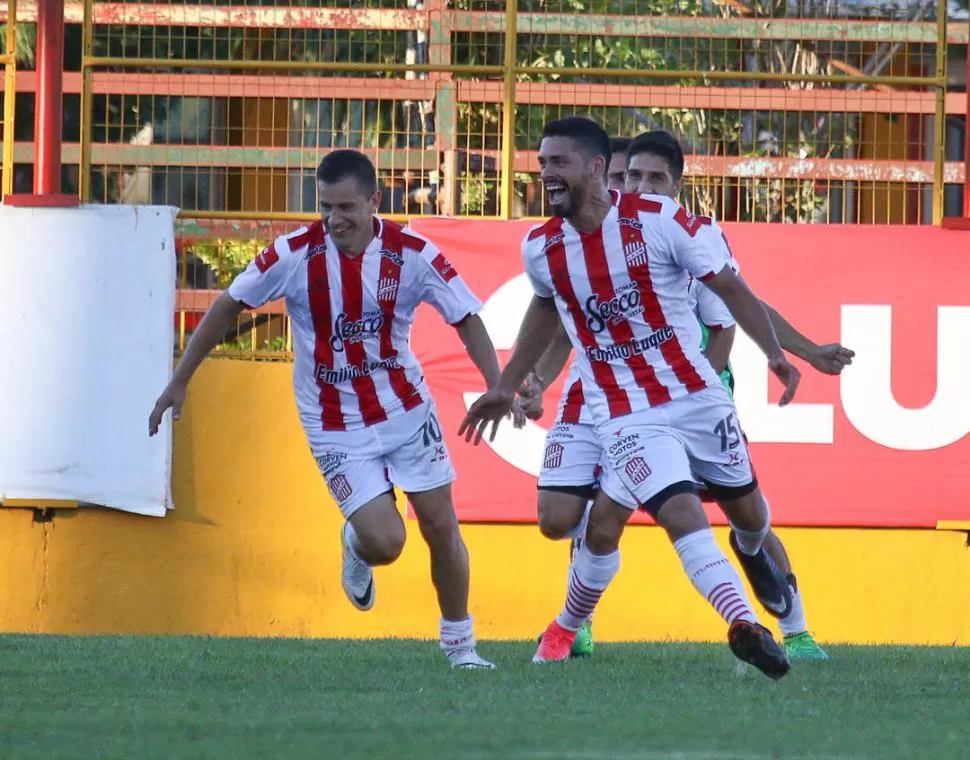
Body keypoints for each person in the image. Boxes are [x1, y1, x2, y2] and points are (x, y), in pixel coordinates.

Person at [461, 116, 801, 680]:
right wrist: (506, 384)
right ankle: (743, 623)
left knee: (748, 513)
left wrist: (776, 353)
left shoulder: (661, 221)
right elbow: (546, 309)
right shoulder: (541, 246)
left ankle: (753, 552)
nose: (545, 173)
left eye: (558, 163)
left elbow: (732, 290)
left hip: (696, 395)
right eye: (542, 163)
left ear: (596, 169)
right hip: (622, 411)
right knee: (679, 513)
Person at [149, 149, 515, 670]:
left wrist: (496, 383)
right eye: (325, 206)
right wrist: (180, 380)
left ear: (375, 201)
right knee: (387, 543)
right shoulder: (294, 254)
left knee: (439, 523)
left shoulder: (412, 253)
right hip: (333, 424)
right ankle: (356, 540)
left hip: (407, 411)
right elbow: (229, 303)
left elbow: (467, 317)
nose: (335, 219)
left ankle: (461, 649)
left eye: (347, 207)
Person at [522, 130, 851, 660]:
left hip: (685, 394)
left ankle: (796, 625)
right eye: (633, 177)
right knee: (573, 518)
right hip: (602, 402)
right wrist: (532, 378)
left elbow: (730, 312)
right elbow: (559, 323)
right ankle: (575, 623)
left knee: (746, 512)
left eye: (656, 178)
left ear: (679, 184)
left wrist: (799, 352)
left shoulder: (682, 233)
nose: (642, 186)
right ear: (613, 177)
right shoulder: (568, 242)